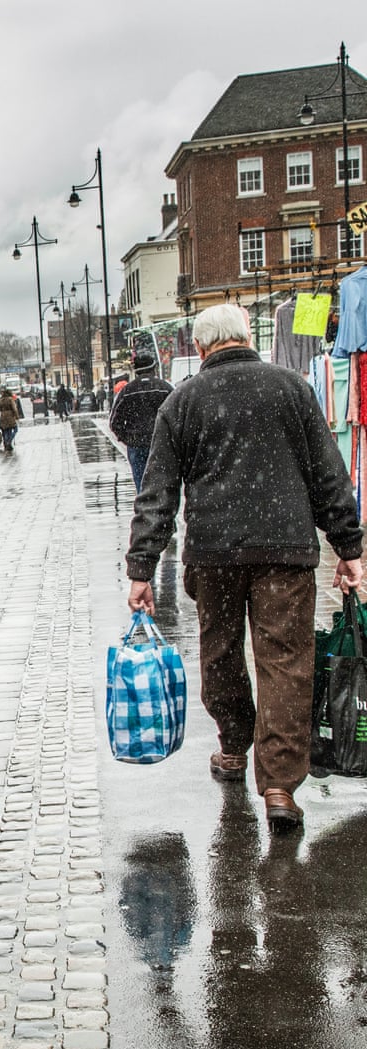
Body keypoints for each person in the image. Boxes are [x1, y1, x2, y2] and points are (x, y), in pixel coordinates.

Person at [126, 303, 363, 836]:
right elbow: (329, 473)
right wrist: (349, 546)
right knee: (285, 662)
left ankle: (234, 746)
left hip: (216, 553)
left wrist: (142, 567)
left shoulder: (183, 401)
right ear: (244, 336)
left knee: (222, 651)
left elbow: (157, 492)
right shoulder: (291, 389)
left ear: (203, 346)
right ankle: (279, 785)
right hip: (285, 549)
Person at [109, 350, 173, 492]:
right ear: (153, 368)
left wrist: (127, 437)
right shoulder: (165, 388)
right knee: (161, 482)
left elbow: (114, 421)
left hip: (136, 443)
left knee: (141, 484)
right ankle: (160, 507)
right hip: (160, 443)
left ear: (136, 370)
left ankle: (144, 507)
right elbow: (178, 417)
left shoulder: (127, 391)